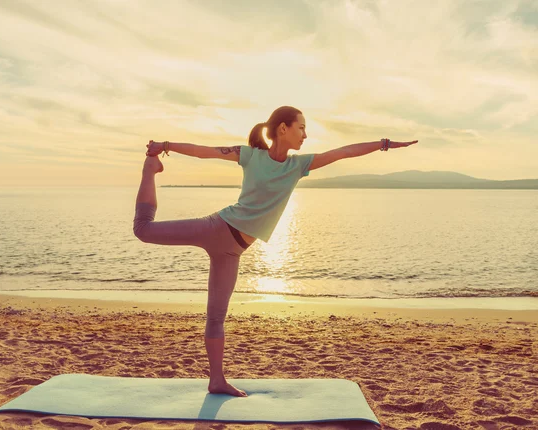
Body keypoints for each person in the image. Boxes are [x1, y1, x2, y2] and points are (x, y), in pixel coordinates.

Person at [134, 105, 417, 397]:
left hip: (233, 252)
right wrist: (165, 147)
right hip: (217, 228)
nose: (305, 134)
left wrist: (383, 145)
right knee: (143, 230)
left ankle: (216, 380)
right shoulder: (249, 156)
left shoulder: (298, 166)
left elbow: (344, 152)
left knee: (216, 317)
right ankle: (150, 169)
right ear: (283, 128)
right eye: (302, 128)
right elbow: (203, 151)